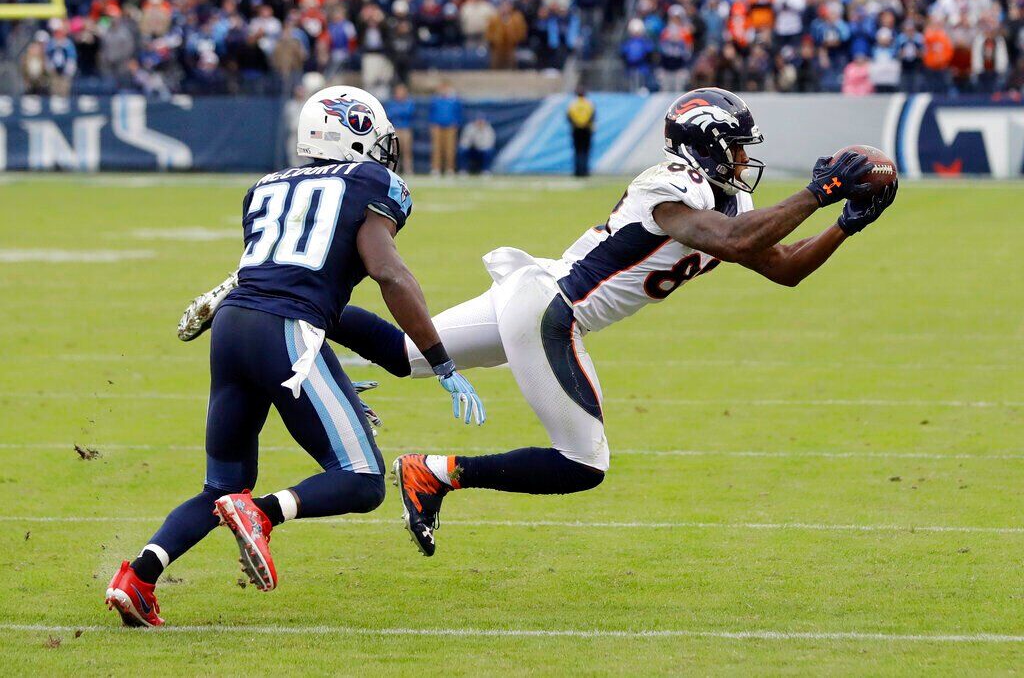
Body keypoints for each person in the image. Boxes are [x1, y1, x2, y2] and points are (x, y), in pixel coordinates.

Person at [180, 88, 898, 558]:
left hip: (532, 294)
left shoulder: (726, 204)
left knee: (405, 353)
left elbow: (783, 265)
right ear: (708, 145)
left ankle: (262, 286)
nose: (746, 160)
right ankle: (438, 472)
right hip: (551, 308)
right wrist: (822, 186)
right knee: (584, 464)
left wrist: (846, 223)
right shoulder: (668, 184)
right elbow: (741, 243)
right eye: (737, 145)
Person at [105, 85, 485, 627]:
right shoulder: (373, 183)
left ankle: (137, 577)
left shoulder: (264, 186)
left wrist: (334, 375)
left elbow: (297, 288)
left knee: (222, 485)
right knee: (362, 479)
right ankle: (258, 516)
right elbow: (387, 272)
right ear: (353, 133)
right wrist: (440, 360)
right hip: (286, 332)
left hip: (234, 325)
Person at [429, 80, 462, 175]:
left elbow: (458, 113)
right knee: (437, 149)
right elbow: (431, 113)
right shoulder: (435, 100)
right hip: (437, 126)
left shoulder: (454, 100)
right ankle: (436, 168)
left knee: (450, 149)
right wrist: (432, 124)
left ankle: (450, 168)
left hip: (450, 126)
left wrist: (456, 123)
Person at [386, 83, 417, 174]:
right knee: (394, 151)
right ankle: (394, 170)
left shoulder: (409, 102)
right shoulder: (392, 102)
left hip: (406, 129)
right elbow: (390, 114)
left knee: (407, 150)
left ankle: (408, 170)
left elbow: (409, 112)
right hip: (395, 129)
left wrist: (398, 112)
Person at [567, 86, 595, 177]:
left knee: (577, 151)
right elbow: (592, 117)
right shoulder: (589, 104)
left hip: (576, 130)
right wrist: (585, 124)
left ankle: (577, 171)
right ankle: (585, 171)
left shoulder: (573, 104)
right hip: (586, 130)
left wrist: (576, 124)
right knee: (586, 151)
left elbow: (569, 117)